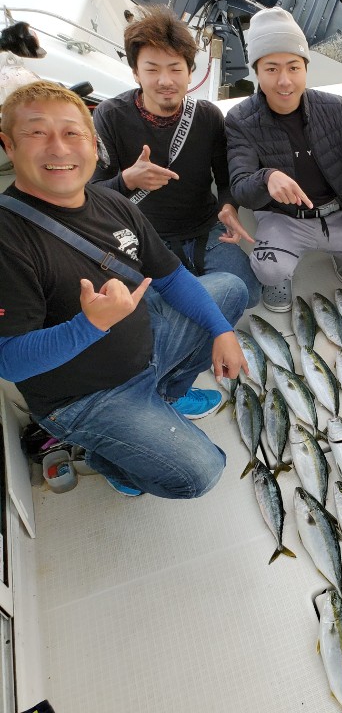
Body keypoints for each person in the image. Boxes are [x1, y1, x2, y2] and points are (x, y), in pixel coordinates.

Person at [0, 81, 248, 498]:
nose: (59, 148)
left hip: (145, 345)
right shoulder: (7, 240)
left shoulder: (110, 202)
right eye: (37, 133)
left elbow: (171, 277)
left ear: (93, 145)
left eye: (72, 133)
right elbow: (9, 363)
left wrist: (222, 331)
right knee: (200, 473)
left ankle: (165, 394)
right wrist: (90, 325)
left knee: (229, 289)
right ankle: (107, 458)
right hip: (86, 396)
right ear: (9, 146)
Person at [225, 7, 342, 313]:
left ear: (306, 67)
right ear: (256, 71)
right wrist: (266, 177)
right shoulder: (240, 120)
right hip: (283, 218)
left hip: (340, 213)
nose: (284, 81)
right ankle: (283, 273)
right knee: (268, 271)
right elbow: (241, 187)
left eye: (293, 67)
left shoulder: (334, 107)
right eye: (271, 69)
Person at [91, 6, 261, 313]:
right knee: (142, 313)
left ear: (189, 71)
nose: (165, 80)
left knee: (250, 295)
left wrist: (228, 207)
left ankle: (188, 294)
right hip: (142, 237)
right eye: (152, 69)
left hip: (204, 230)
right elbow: (92, 195)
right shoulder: (110, 115)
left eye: (175, 68)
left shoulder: (208, 116)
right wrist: (128, 180)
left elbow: (225, 180)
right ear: (135, 72)